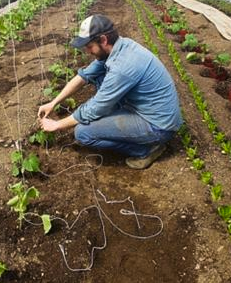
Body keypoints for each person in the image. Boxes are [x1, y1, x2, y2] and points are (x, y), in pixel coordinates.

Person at [37, 14, 183, 169]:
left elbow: (97, 106)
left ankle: (145, 150)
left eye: (89, 46)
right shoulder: (119, 47)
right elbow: (84, 76)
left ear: (103, 40)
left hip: (158, 125)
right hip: (151, 110)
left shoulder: (123, 66)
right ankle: (129, 130)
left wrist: (57, 125)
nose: (87, 51)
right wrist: (53, 103)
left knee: (82, 133)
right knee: (99, 75)